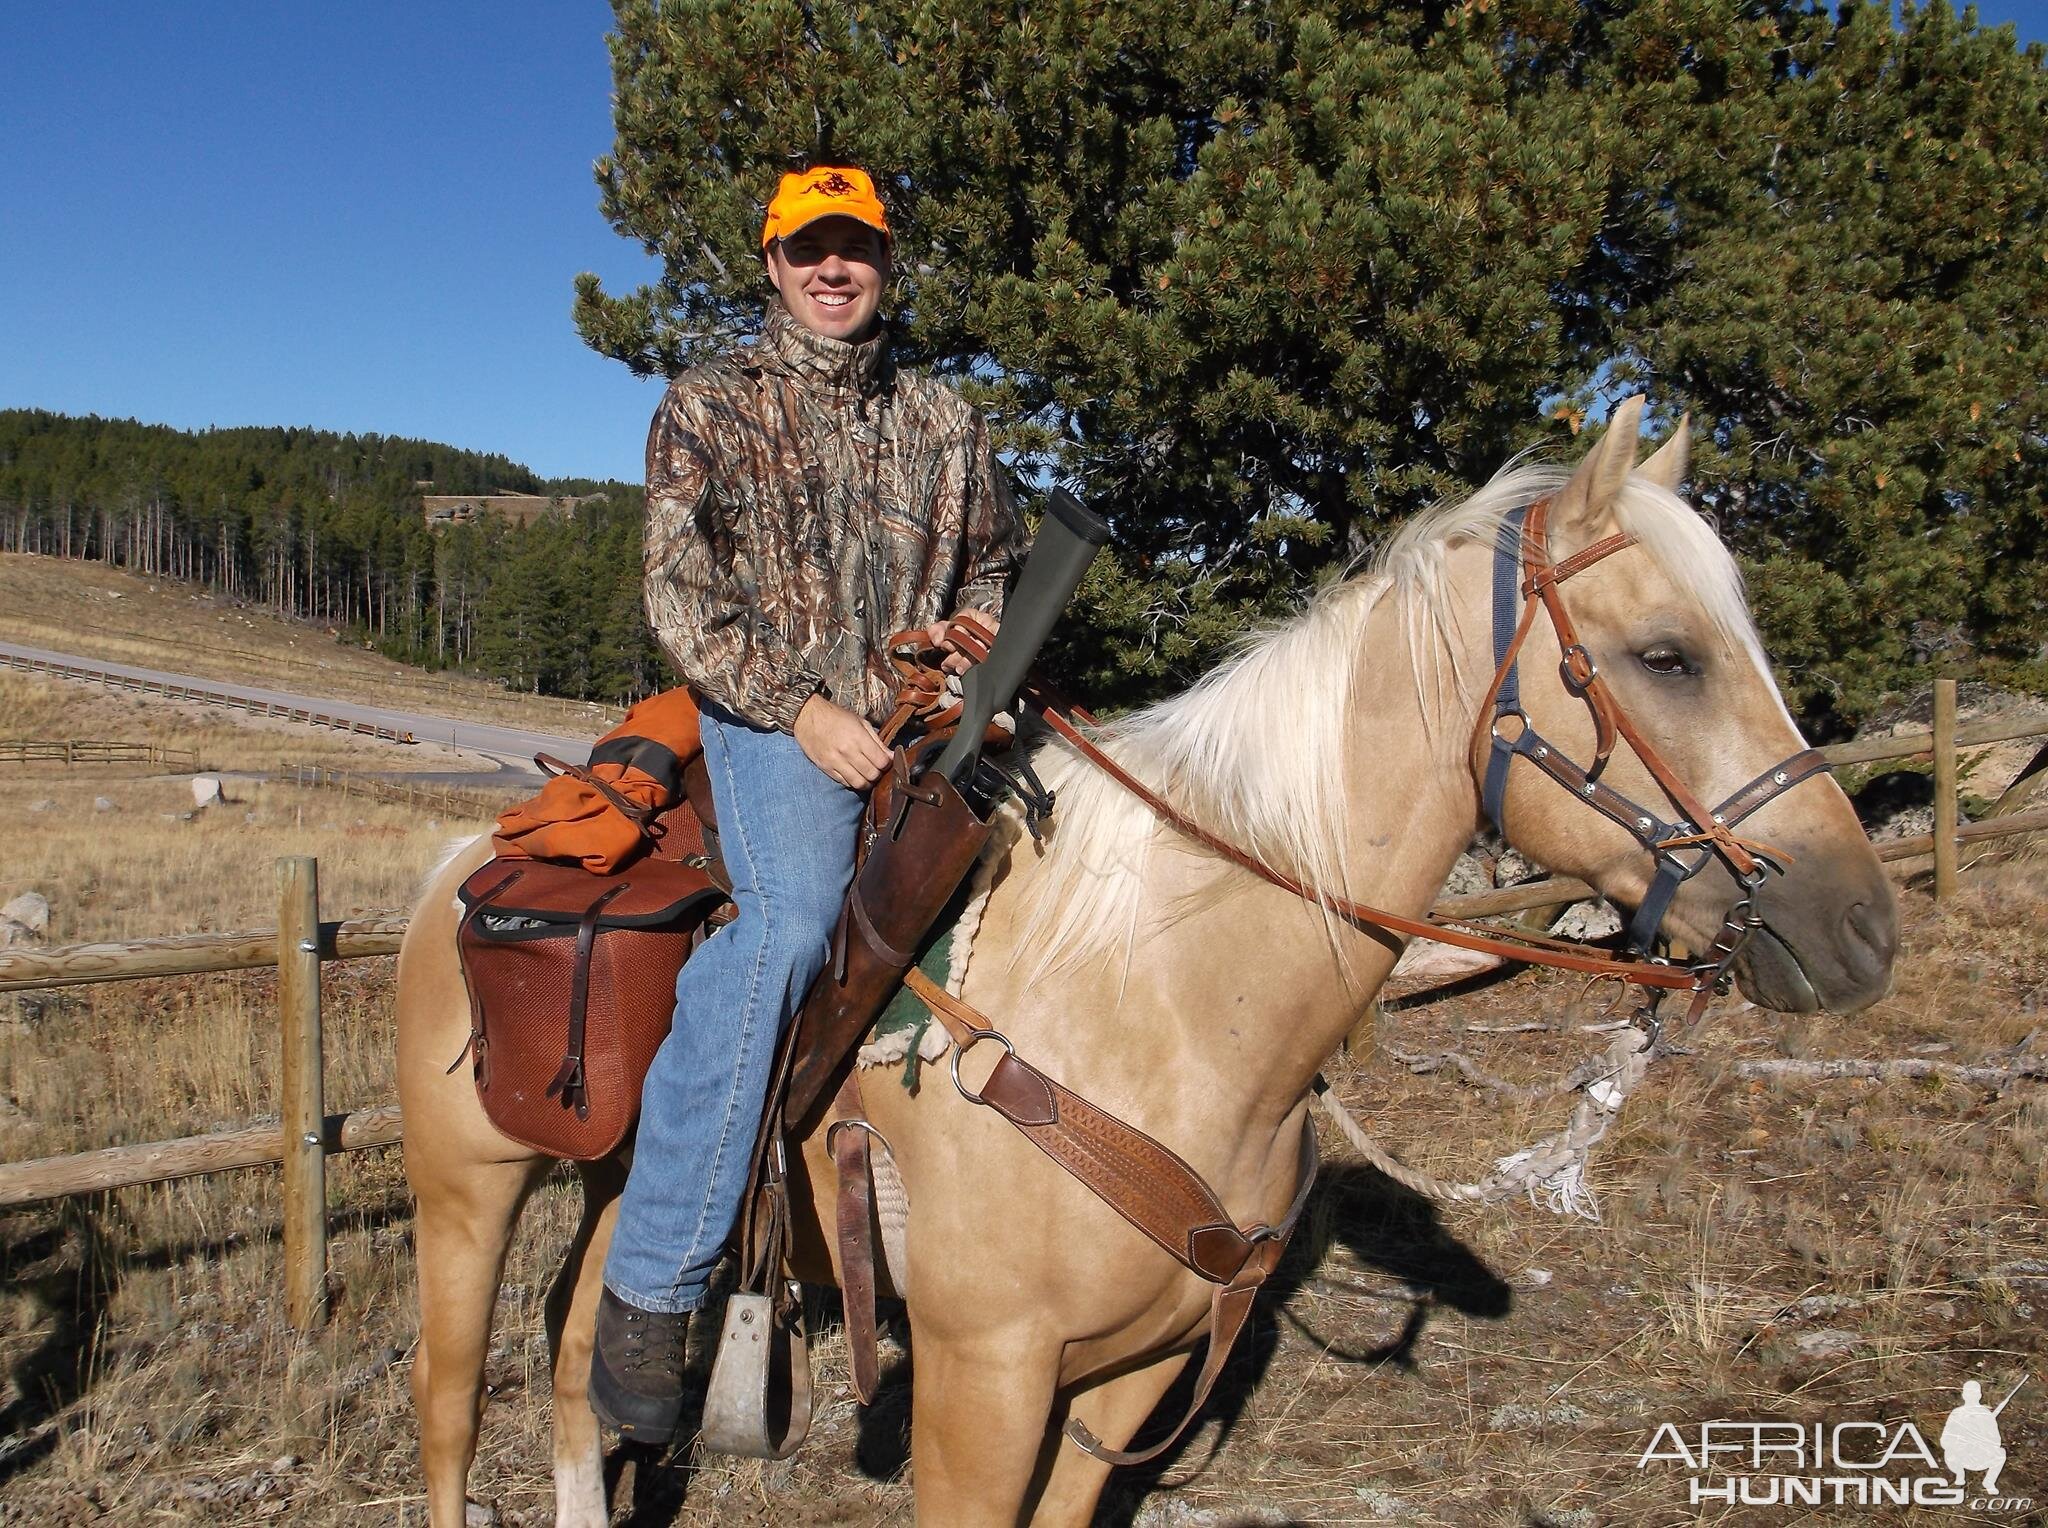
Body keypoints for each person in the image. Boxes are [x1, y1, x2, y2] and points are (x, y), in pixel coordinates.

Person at [590, 165, 1025, 1442]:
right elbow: (679, 594)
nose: (834, 272)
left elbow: (991, 562)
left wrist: (977, 647)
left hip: (922, 712)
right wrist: (802, 709)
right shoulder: (711, 403)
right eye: (809, 250)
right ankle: (654, 1281)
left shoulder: (946, 419)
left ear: (886, 265)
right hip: (773, 715)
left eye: (858, 251)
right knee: (786, 928)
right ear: (772, 265)